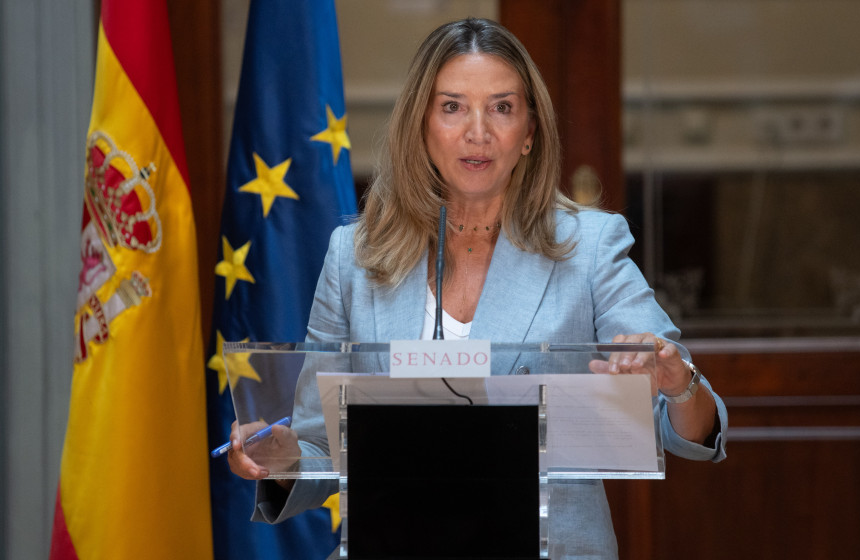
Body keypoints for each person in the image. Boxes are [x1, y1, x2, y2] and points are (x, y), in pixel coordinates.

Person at [228, 17, 727, 559]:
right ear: (421, 125)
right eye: (452, 107)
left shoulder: (589, 247)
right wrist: (284, 459)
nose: (478, 132)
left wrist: (677, 383)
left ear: (530, 131)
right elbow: (321, 446)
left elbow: (692, 431)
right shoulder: (354, 256)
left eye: (502, 108)